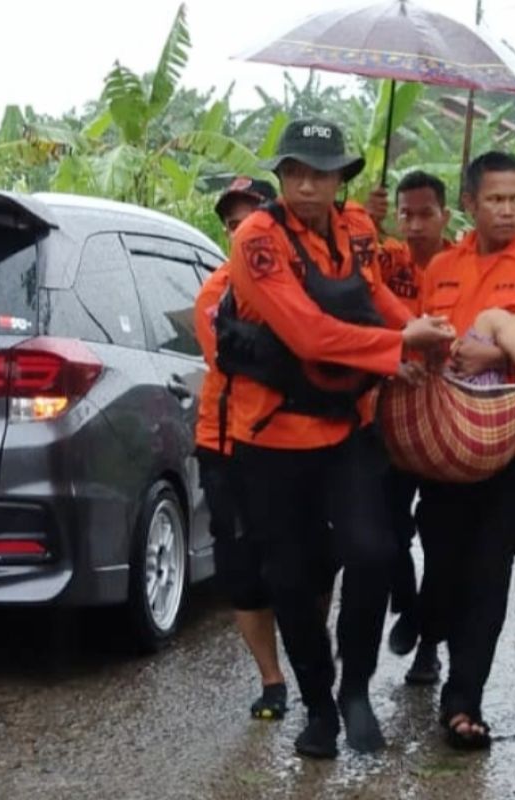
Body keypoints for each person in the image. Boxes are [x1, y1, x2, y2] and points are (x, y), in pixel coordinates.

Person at [219, 119, 454, 760]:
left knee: (374, 550)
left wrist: (428, 333)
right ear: (281, 175)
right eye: (294, 171)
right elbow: (309, 335)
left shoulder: (356, 228)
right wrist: (398, 346)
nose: (306, 185)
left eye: (321, 173)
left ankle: (356, 689)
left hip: (348, 428)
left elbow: (375, 295)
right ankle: (319, 705)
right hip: (270, 438)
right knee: (289, 578)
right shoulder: (257, 240)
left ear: (341, 178)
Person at [413, 151, 515, 750]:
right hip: (448, 443)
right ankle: (426, 621)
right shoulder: (442, 267)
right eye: (495, 199)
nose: (508, 209)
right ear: (470, 204)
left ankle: (464, 700)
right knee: (442, 560)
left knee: (489, 569)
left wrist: (495, 354)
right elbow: (426, 333)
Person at [195, 176, 301, 721]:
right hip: (228, 445)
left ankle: (312, 669)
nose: (244, 232)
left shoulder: (310, 276)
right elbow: (239, 359)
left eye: (253, 219)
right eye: (234, 225)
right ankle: (272, 679)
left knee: (304, 562)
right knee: (243, 568)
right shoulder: (217, 291)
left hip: (302, 446)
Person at [365, 172, 454, 685]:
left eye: (425, 214)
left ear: (445, 215)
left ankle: (428, 642)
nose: (415, 224)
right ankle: (407, 599)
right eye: (406, 214)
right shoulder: (386, 258)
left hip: (448, 418)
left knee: (441, 536)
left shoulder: (460, 265)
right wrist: (368, 221)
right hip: (390, 414)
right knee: (388, 526)